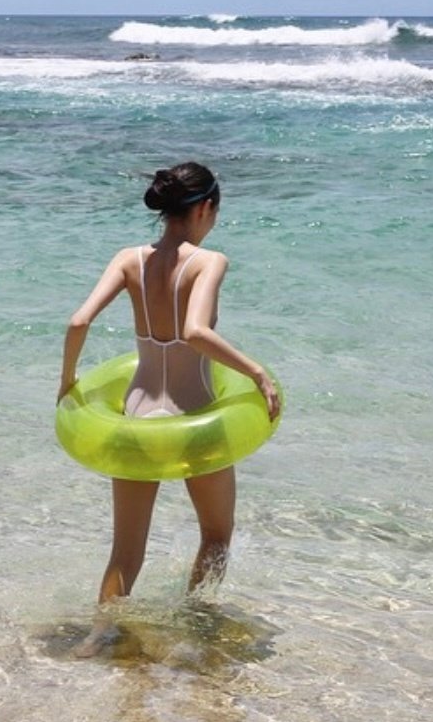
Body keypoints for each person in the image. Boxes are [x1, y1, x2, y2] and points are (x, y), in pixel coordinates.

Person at [58, 161, 281, 655]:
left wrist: (67, 382)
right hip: (193, 417)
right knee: (217, 534)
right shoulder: (209, 261)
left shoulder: (129, 259)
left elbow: (78, 321)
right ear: (205, 208)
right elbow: (196, 333)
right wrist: (257, 373)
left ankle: (98, 638)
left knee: (126, 551)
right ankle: (195, 626)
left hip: (138, 417)